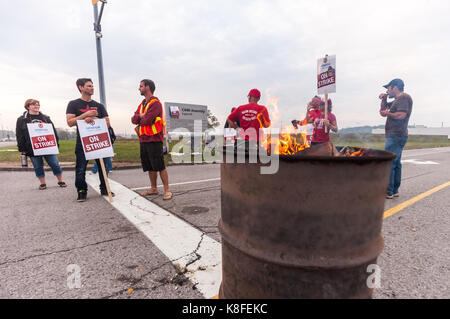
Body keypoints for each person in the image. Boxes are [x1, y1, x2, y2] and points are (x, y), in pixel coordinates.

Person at [66, 78, 113, 202]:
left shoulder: (99, 106)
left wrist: (95, 118)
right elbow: (70, 122)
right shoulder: (73, 104)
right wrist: (85, 116)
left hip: (98, 140)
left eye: (92, 86)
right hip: (82, 141)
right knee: (81, 168)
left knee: (103, 166)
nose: (92, 88)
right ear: (81, 87)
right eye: (89, 86)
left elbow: (107, 123)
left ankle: (104, 188)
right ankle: (81, 191)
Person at [131, 79, 172, 200]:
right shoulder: (142, 104)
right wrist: (140, 116)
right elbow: (133, 120)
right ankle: (153, 188)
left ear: (147, 87)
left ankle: (167, 190)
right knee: (149, 166)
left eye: (141, 86)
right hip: (143, 139)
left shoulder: (155, 104)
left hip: (154, 139)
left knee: (159, 165)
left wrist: (140, 117)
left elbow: (147, 120)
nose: (139, 88)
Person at [16, 99, 67, 190]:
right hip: (32, 147)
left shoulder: (45, 118)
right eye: (34, 104)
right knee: (38, 166)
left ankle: (60, 180)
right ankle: (43, 183)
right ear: (28, 106)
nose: (37, 106)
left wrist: (56, 144)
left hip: (48, 146)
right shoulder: (22, 119)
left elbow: (53, 131)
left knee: (55, 164)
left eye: (38, 104)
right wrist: (22, 148)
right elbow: (19, 135)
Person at [379, 78, 413, 199]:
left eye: (388, 88)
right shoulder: (396, 101)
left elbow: (401, 115)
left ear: (394, 87)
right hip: (397, 135)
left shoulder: (403, 98)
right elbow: (382, 111)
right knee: (396, 162)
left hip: (396, 135)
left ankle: (389, 191)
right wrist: (384, 99)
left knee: (390, 162)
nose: (387, 90)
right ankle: (394, 190)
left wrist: (388, 114)